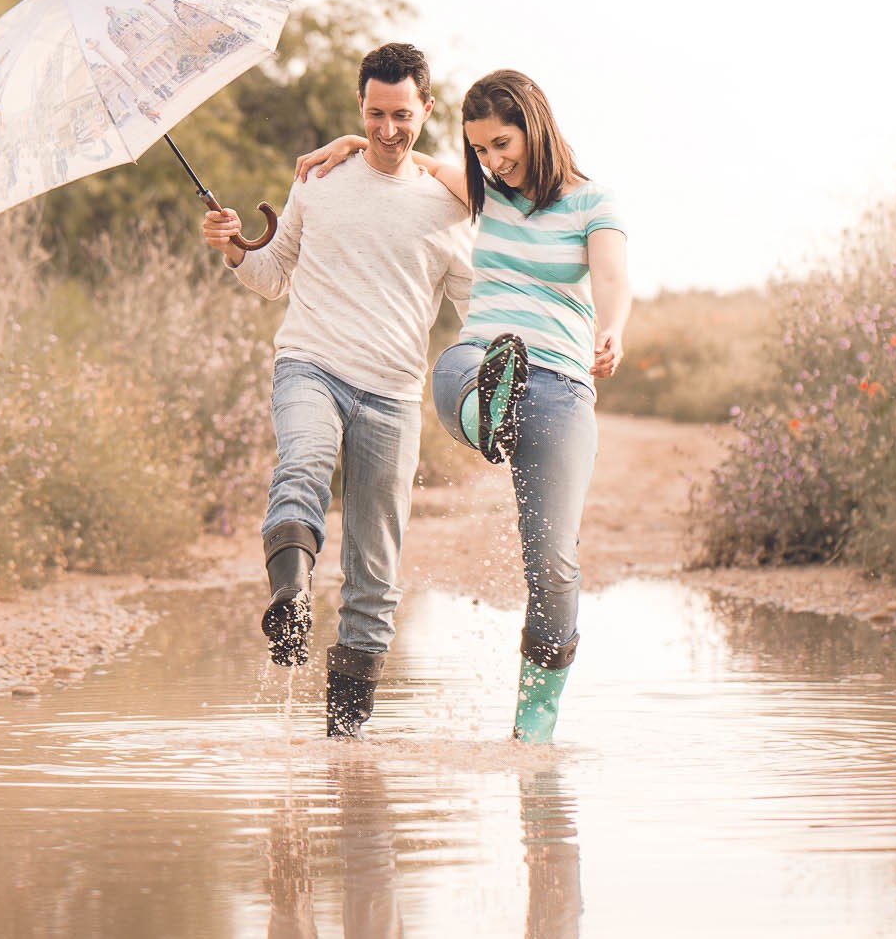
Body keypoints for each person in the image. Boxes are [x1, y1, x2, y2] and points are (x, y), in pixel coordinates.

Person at [297, 69, 629, 743]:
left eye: (501, 144)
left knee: (553, 562)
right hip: (479, 361)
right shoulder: (483, 189)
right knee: (452, 368)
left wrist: (613, 327)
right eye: (478, 149)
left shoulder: (593, 201)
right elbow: (405, 156)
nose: (490, 161)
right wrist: (351, 144)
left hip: (561, 385)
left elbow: (613, 276)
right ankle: (488, 414)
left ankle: (533, 722)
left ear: (534, 125)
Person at [202, 42, 473, 738]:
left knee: (375, 575)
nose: (388, 130)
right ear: (360, 105)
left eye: (402, 115)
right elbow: (271, 274)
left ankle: (345, 744)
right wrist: (235, 245)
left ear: (427, 110)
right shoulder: (319, 180)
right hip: (311, 365)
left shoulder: (448, 209)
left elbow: (478, 314)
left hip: (393, 395)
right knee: (299, 467)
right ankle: (289, 602)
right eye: (376, 113)